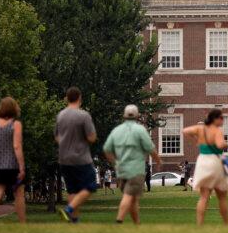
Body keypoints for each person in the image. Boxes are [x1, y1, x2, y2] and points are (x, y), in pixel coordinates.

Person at [103, 104, 160, 225]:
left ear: (124, 116)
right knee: (129, 195)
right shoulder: (140, 130)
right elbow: (150, 148)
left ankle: (137, 225)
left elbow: (107, 149)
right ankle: (119, 220)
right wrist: (158, 161)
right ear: (137, 116)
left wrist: (115, 163)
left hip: (121, 170)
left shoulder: (117, 130)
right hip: (136, 170)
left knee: (133, 199)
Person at [55, 86, 98, 223]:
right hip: (80, 157)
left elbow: (56, 137)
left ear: (67, 98)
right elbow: (91, 137)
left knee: (73, 190)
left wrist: (65, 142)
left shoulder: (60, 115)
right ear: (79, 98)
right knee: (90, 186)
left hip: (64, 158)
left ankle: (74, 220)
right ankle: (69, 209)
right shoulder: (83, 115)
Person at [182, 108, 228, 225]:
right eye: (221, 118)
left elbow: (185, 131)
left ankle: (200, 224)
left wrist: (196, 140)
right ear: (215, 119)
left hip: (202, 161)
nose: (222, 120)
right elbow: (219, 145)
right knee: (222, 196)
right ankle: (226, 224)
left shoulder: (200, 129)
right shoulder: (217, 130)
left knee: (204, 196)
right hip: (215, 160)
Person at [0, 96, 26, 224]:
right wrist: (22, 166)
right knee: (18, 194)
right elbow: (17, 146)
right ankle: (22, 223)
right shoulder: (16, 124)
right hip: (12, 165)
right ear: (14, 108)